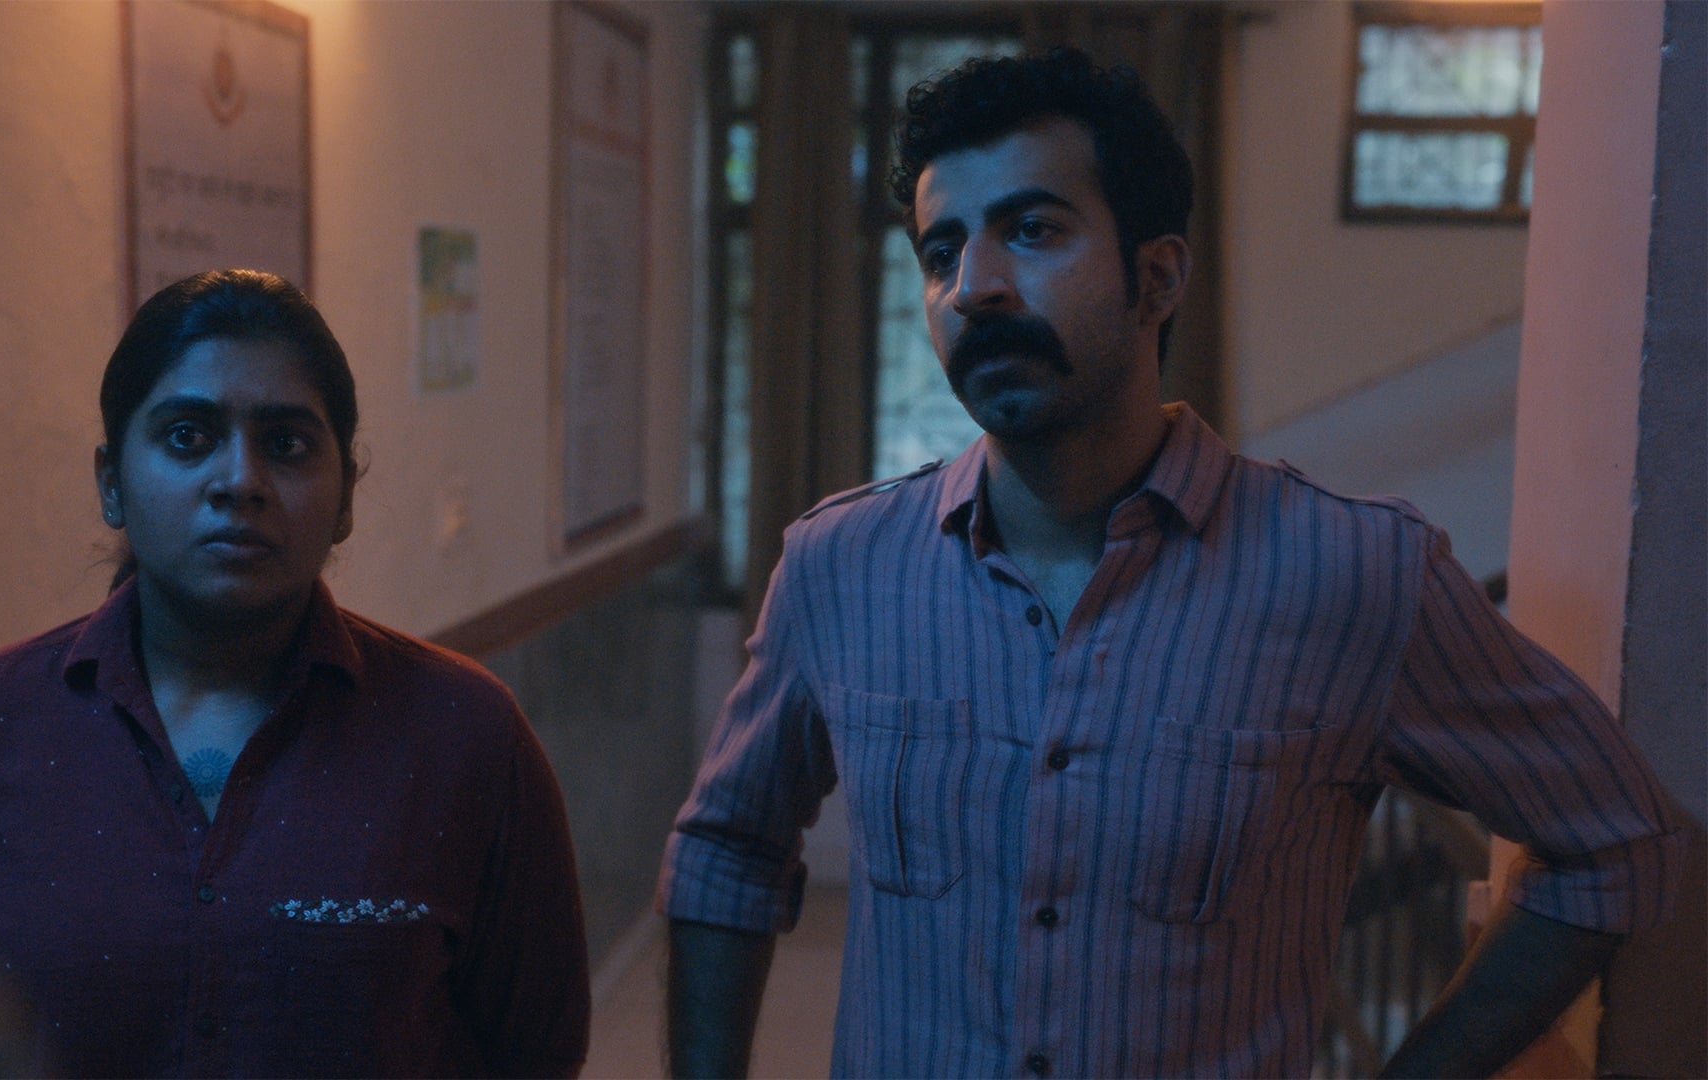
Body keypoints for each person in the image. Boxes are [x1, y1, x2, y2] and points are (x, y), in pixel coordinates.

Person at [658, 49, 1682, 1078]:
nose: (974, 287)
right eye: (941, 251)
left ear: (1157, 277)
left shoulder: (1356, 576)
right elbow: (725, 849)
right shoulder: (842, 565)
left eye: (1032, 230)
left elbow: (1612, 843)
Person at [0, 269, 590, 1078]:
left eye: (286, 444)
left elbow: (535, 1052)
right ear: (112, 483)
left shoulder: (464, 736)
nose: (240, 481)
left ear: (346, 497)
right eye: (188, 437)